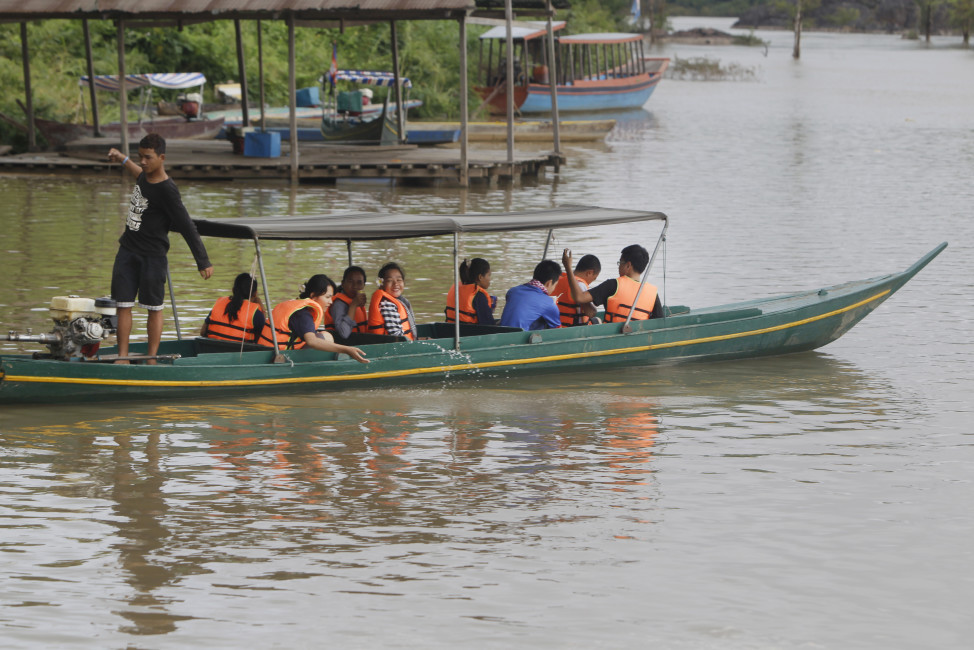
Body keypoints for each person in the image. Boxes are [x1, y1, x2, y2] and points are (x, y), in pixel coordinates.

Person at [107, 133, 213, 363]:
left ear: (161, 158)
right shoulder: (144, 176)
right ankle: (122, 357)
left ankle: (151, 358)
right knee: (122, 305)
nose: (143, 162)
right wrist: (123, 158)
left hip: (152, 256)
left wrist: (202, 261)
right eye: (140, 157)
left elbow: (186, 225)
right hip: (127, 251)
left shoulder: (168, 190)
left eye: (148, 158)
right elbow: (138, 174)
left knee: (153, 307)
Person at [270, 274, 368, 363]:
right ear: (313, 296)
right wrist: (347, 349)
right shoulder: (303, 314)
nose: (331, 302)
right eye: (327, 297)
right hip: (280, 356)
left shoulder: (300, 308)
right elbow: (312, 341)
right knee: (327, 337)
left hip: (273, 350)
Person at [561, 245, 663, 324]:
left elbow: (579, 297)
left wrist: (568, 267)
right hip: (639, 340)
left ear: (628, 265)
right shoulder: (653, 293)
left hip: (611, 340)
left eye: (620, 263)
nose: (618, 266)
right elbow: (659, 322)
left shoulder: (613, 285)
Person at [200, 272, 274, 346]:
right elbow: (265, 340)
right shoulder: (256, 313)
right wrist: (262, 308)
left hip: (211, 351)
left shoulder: (219, 304)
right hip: (241, 355)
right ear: (255, 293)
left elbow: (203, 332)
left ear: (233, 290)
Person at [499, 260, 562, 331]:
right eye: (555, 285)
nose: (554, 289)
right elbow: (557, 329)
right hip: (519, 339)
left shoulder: (512, 291)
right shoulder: (548, 302)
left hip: (500, 334)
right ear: (549, 283)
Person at [367, 262, 416, 340]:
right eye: (390, 280)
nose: (395, 284)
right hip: (397, 348)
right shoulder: (387, 305)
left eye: (399, 280)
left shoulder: (397, 300)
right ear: (381, 284)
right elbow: (397, 336)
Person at [553, 254, 601, 326]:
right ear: (589, 273)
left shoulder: (559, 280)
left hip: (556, 325)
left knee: (597, 320)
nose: (591, 282)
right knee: (598, 321)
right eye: (594, 278)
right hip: (572, 328)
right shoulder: (580, 284)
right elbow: (590, 313)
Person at [445, 257, 497, 325]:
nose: (490, 279)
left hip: (449, 330)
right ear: (480, 277)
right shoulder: (479, 295)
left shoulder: (456, 288)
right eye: (489, 275)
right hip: (469, 333)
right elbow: (489, 325)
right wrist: (490, 310)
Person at [324, 265, 368, 340]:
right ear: (343, 283)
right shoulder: (338, 304)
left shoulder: (358, 302)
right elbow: (344, 334)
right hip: (344, 347)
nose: (355, 286)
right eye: (350, 282)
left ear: (363, 285)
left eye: (359, 282)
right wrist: (353, 305)